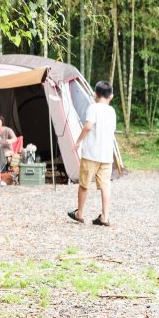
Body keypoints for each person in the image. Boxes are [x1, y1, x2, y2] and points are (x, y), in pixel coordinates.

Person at [68, 81, 116, 227]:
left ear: (95, 94)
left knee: (84, 184)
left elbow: (88, 126)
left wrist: (78, 142)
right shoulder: (112, 111)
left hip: (91, 154)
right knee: (105, 186)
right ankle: (105, 216)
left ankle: (80, 213)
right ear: (111, 96)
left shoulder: (93, 107)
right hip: (106, 155)